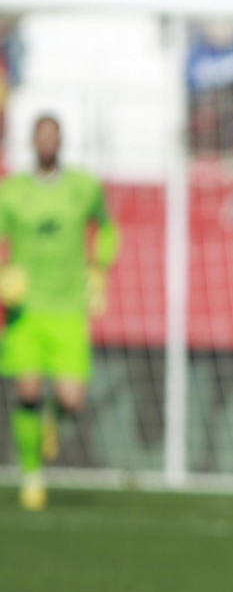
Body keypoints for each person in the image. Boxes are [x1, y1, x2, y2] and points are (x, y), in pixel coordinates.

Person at [0, 115, 120, 511]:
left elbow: (107, 227)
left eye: (53, 136)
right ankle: (32, 474)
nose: (48, 142)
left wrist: (98, 268)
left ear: (61, 141)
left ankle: (51, 420)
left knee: (71, 398)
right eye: (41, 136)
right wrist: (4, 277)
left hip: (69, 311)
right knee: (28, 388)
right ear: (33, 142)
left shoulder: (83, 187)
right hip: (27, 314)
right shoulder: (12, 192)